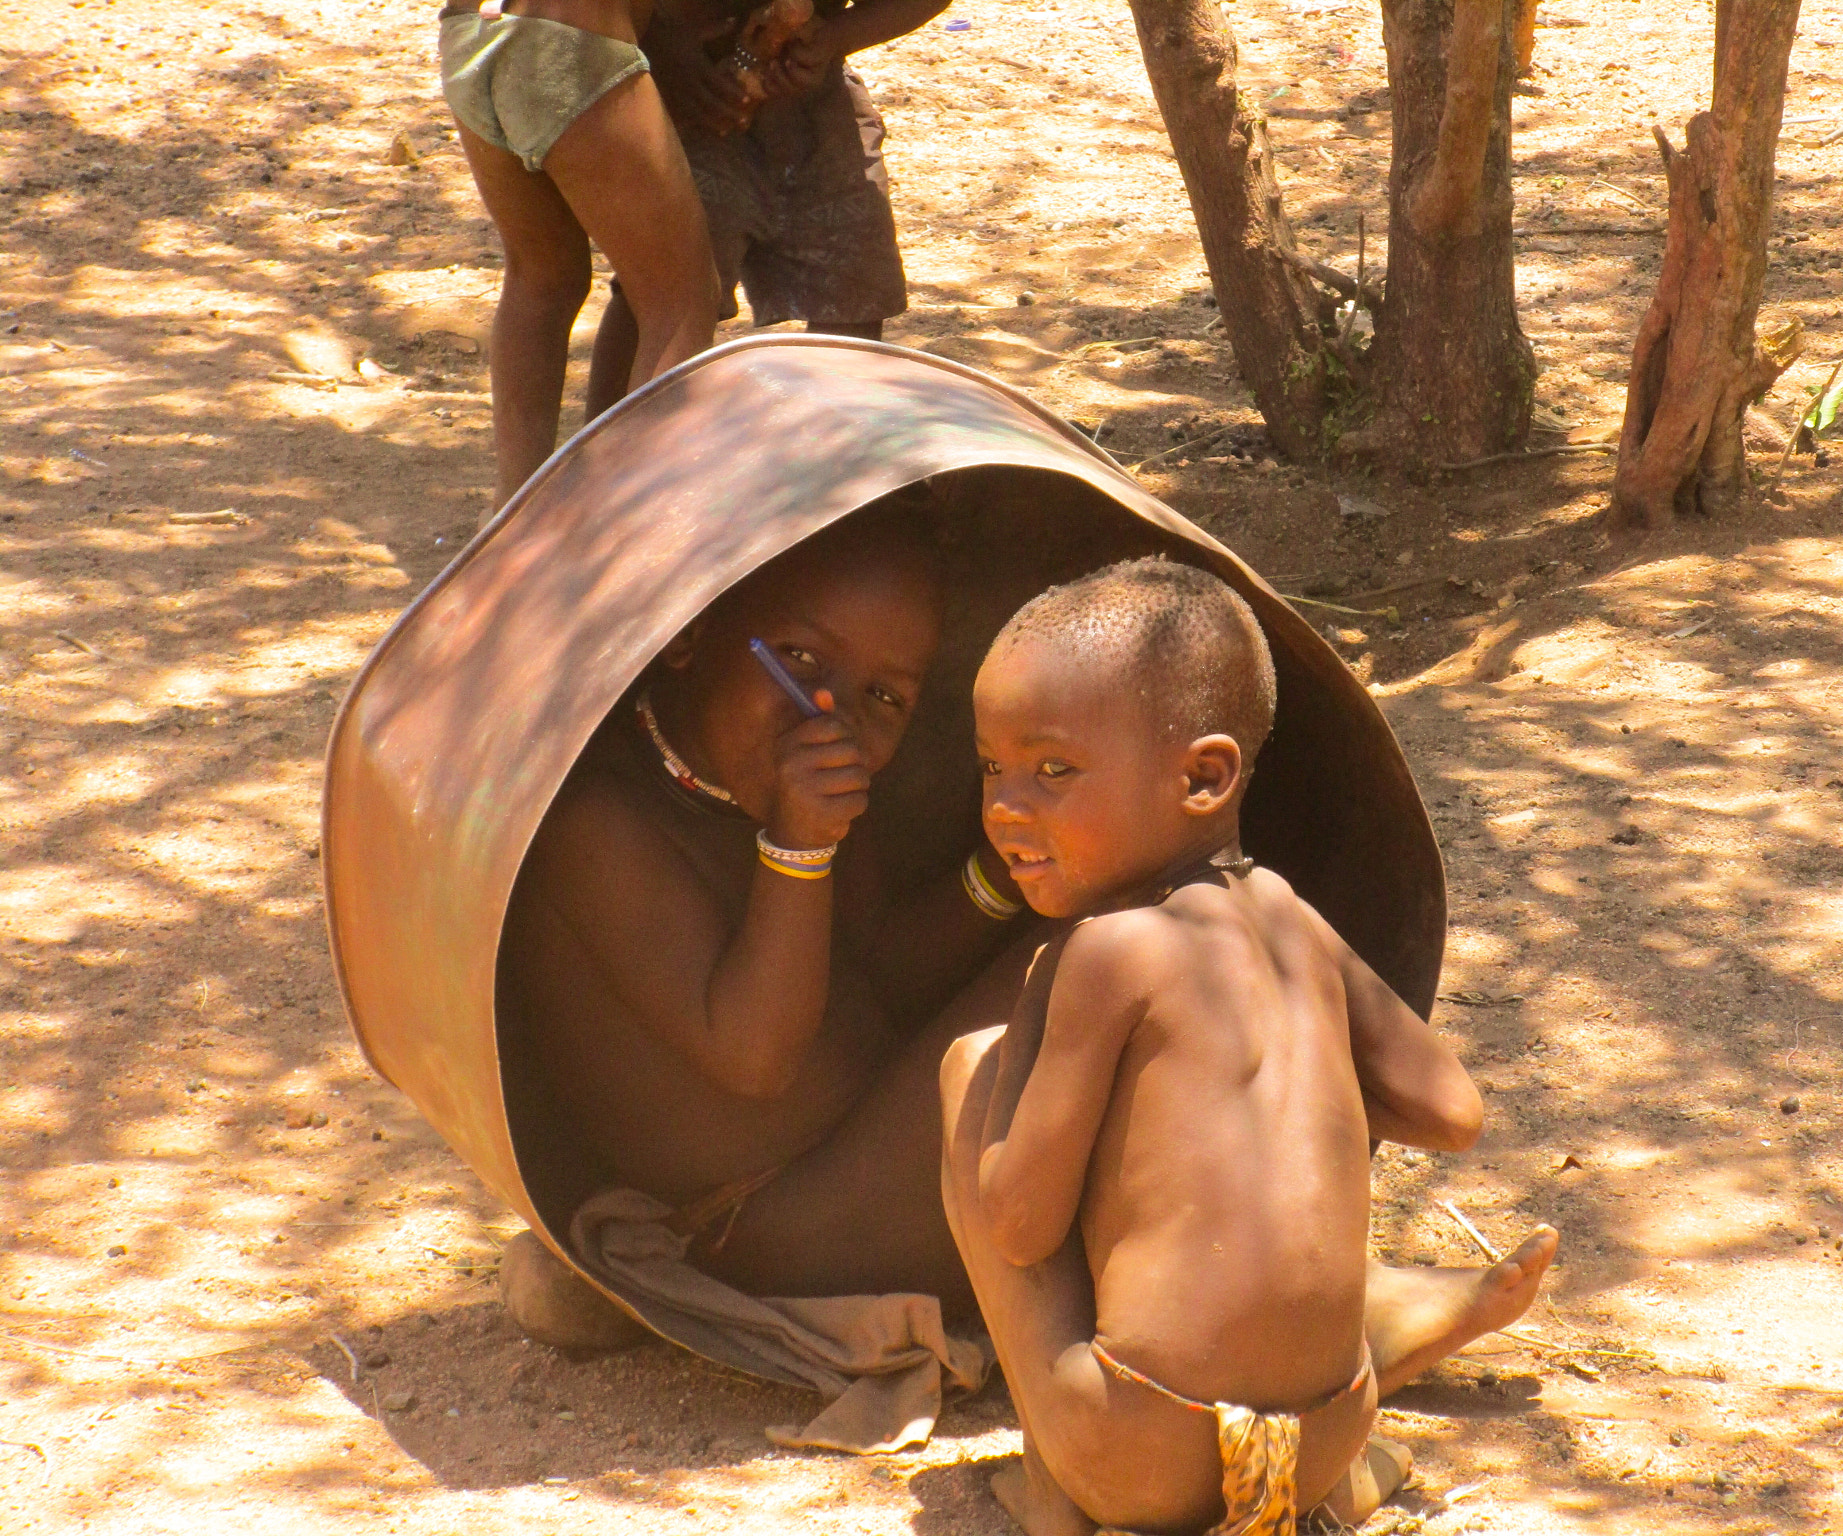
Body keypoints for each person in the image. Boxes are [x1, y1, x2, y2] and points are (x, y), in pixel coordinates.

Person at [940, 559, 1559, 1536]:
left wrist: (1025, 1025)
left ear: (1203, 777)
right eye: (991, 769)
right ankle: (1305, 1474)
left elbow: (1018, 1226)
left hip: (1139, 1456)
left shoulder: (1103, 954)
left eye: (1051, 770)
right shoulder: (1289, 920)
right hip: (1320, 1439)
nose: (1005, 808)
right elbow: (1451, 1113)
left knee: (965, 1070)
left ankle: (1059, 1501)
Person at [498, 508, 1036, 1320]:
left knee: (1102, 932)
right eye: (799, 657)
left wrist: (998, 880)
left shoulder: (804, 784)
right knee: (1101, 963)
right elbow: (756, 1056)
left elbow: (878, 978)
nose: (832, 714)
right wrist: (797, 848)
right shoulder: (598, 827)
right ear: (689, 635)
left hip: (867, 1145)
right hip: (775, 1226)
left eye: (883, 696)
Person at [582, 0, 940, 417]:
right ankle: (601, 460)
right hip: (686, 92)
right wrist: (661, 41)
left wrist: (829, 40)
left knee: (852, 279)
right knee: (667, 288)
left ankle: (832, 457)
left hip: (813, 107)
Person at [438, 0, 724, 511]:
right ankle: (631, 530)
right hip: (575, 35)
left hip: (470, 34)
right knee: (681, 301)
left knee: (541, 279)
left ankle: (513, 521)